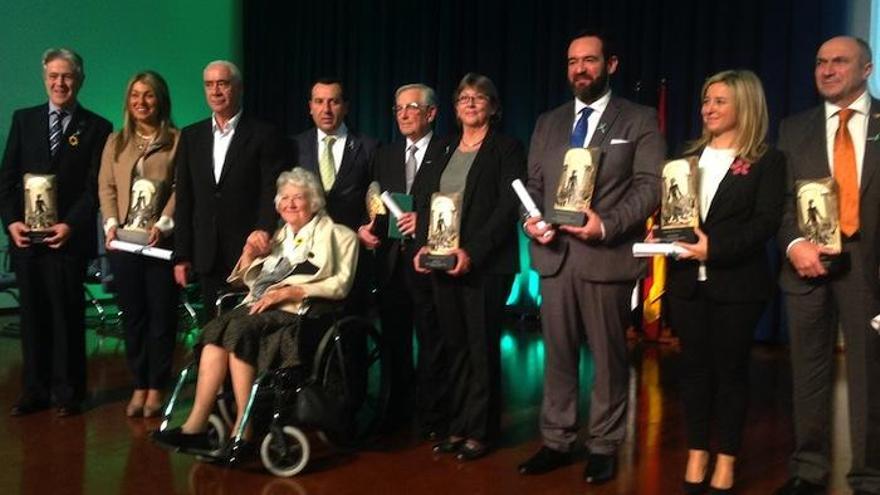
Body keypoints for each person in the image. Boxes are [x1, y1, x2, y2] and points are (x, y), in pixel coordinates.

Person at [518, 30, 666, 483]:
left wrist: (608, 224)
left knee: (608, 358)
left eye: (589, 60)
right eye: (572, 62)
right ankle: (557, 439)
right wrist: (531, 221)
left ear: (610, 65)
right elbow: (535, 185)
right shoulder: (548, 121)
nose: (580, 69)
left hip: (606, 257)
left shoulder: (638, 119)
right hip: (554, 257)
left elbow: (650, 186)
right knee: (558, 356)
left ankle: (604, 444)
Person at [152, 168, 358, 450]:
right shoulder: (278, 237)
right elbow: (250, 282)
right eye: (284, 198)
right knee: (213, 333)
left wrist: (290, 291)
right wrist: (248, 254)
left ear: (314, 202)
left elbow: (341, 285)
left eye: (298, 197)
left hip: (300, 314)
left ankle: (243, 425)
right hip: (259, 307)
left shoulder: (340, 235)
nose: (290, 203)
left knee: (238, 332)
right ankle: (196, 425)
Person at [665, 70, 785, 493]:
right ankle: (698, 452)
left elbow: (766, 222)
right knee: (693, 371)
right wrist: (664, 234)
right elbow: (675, 212)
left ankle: (727, 459)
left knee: (731, 372)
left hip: (738, 286)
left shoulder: (767, 160)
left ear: (745, 106)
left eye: (719, 101)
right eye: (706, 100)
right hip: (686, 284)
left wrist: (713, 249)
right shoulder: (686, 155)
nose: (708, 109)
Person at [776, 36, 880, 495]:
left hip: (868, 265)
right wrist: (794, 243)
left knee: (870, 374)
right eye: (821, 62)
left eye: (840, 61)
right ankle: (808, 470)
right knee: (809, 372)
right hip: (806, 265)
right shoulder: (793, 128)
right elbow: (779, 202)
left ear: (867, 69)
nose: (828, 69)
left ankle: (869, 476)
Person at [414, 73, 525, 460]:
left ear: (493, 107)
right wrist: (423, 245)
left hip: (485, 266)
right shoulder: (443, 147)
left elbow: (507, 208)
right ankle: (458, 426)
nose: (471, 103)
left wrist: (472, 253)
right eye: (464, 98)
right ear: (456, 107)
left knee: (480, 347)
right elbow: (425, 199)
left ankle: (481, 430)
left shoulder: (506, 148)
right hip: (441, 261)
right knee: (454, 346)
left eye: (479, 97)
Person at [0, 48, 112, 417]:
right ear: (44, 78)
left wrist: (70, 225)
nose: (59, 83)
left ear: (80, 80)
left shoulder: (97, 127)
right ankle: (34, 391)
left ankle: (68, 393)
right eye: (53, 76)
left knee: (67, 317)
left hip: (68, 240)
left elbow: (94, 188)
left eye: (67, 76)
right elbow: (7, 180)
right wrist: (12, 223)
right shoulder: (24, 120)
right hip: (26, 241)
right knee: (32, 318)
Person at [356, 83, 450, 439]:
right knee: (394, 341)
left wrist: (423, 222)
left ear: (431, 113)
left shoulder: (448, 150)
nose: (404, 114)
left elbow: (454, 201)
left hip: (429, 259)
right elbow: (376, 201)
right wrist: (366, 228)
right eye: (399, 108)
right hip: (391, 263)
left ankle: (432, 416)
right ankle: (394, 410)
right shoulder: (386, 154)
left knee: (431, 341)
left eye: (412, 107)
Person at [173, 60, 287, 314]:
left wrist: (263, 232)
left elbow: (271, 190)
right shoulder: (191, 136)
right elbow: (184, 199)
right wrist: (182, 255)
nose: (215, 91)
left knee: (246, 327)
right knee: (212, 327)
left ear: (239, 88)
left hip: (249, 252)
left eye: (222, 84)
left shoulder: (264, 134)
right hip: (206, 252)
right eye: (209, 85)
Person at [98, 71, 180, 418]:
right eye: (135, 95)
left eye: (148, 95)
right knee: (133, 317)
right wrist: (111, 224)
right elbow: (106, 187)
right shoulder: (115, 142)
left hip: (160, 243)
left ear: (160, 100)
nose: (141, 102)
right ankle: (139, 383)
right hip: (124, 245)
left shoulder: (177, 141)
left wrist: (164, 223)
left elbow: (181, 187)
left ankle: (157, 385)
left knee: (161, 316)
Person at [291, 78, 378, 315]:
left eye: (334, 102)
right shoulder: (294, 146)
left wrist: (365, 227)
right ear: (310, 107)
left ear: (346, 107)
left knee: (353, 325)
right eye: (319, 101)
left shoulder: (369, 147)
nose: (326, 109)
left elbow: (376, 196)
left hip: (352, 252)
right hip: (307, 255)